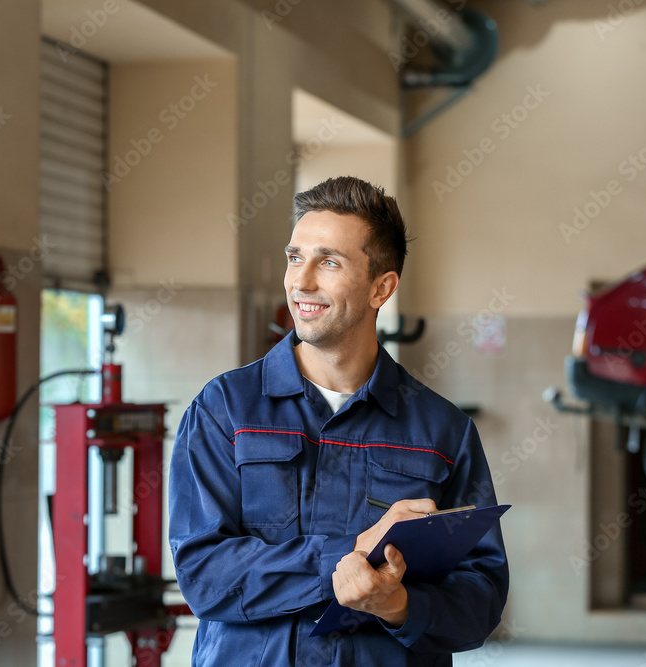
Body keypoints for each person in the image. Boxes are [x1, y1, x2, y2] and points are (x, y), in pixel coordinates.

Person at [168, 176, 508, 665]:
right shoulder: (225, 411)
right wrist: (348, 553)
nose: (301, 281)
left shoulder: (442, 431)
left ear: (381, 287)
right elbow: (204, 577)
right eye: (294, 257)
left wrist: (400, 606)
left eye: (328, 261)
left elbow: (482, 596)